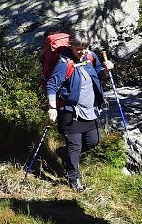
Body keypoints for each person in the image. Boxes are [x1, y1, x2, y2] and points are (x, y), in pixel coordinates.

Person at [45, 30, 113, 192]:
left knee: (93, 141)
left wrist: (106, 70)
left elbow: (98, 74)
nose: (82, 51)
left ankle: (64, 153)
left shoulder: (90, 57)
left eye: (85, 47)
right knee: (75, 146)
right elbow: (51, 85)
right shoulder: (64, 63)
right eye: (78, 48)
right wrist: (52, 107)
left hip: (90, 109)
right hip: (71, 111)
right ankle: (73, 179)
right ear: (71, 46)